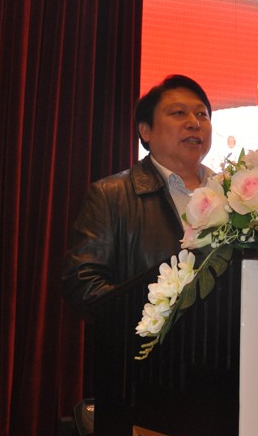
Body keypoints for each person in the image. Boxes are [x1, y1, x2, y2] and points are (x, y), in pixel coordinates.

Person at [62, 74, 213, 318]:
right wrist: (159, 310)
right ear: (145, 131)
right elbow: (83, 286)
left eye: (202, 114)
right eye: (178, 113)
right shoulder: (110, 196)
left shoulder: (232, 194)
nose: (194, 123)